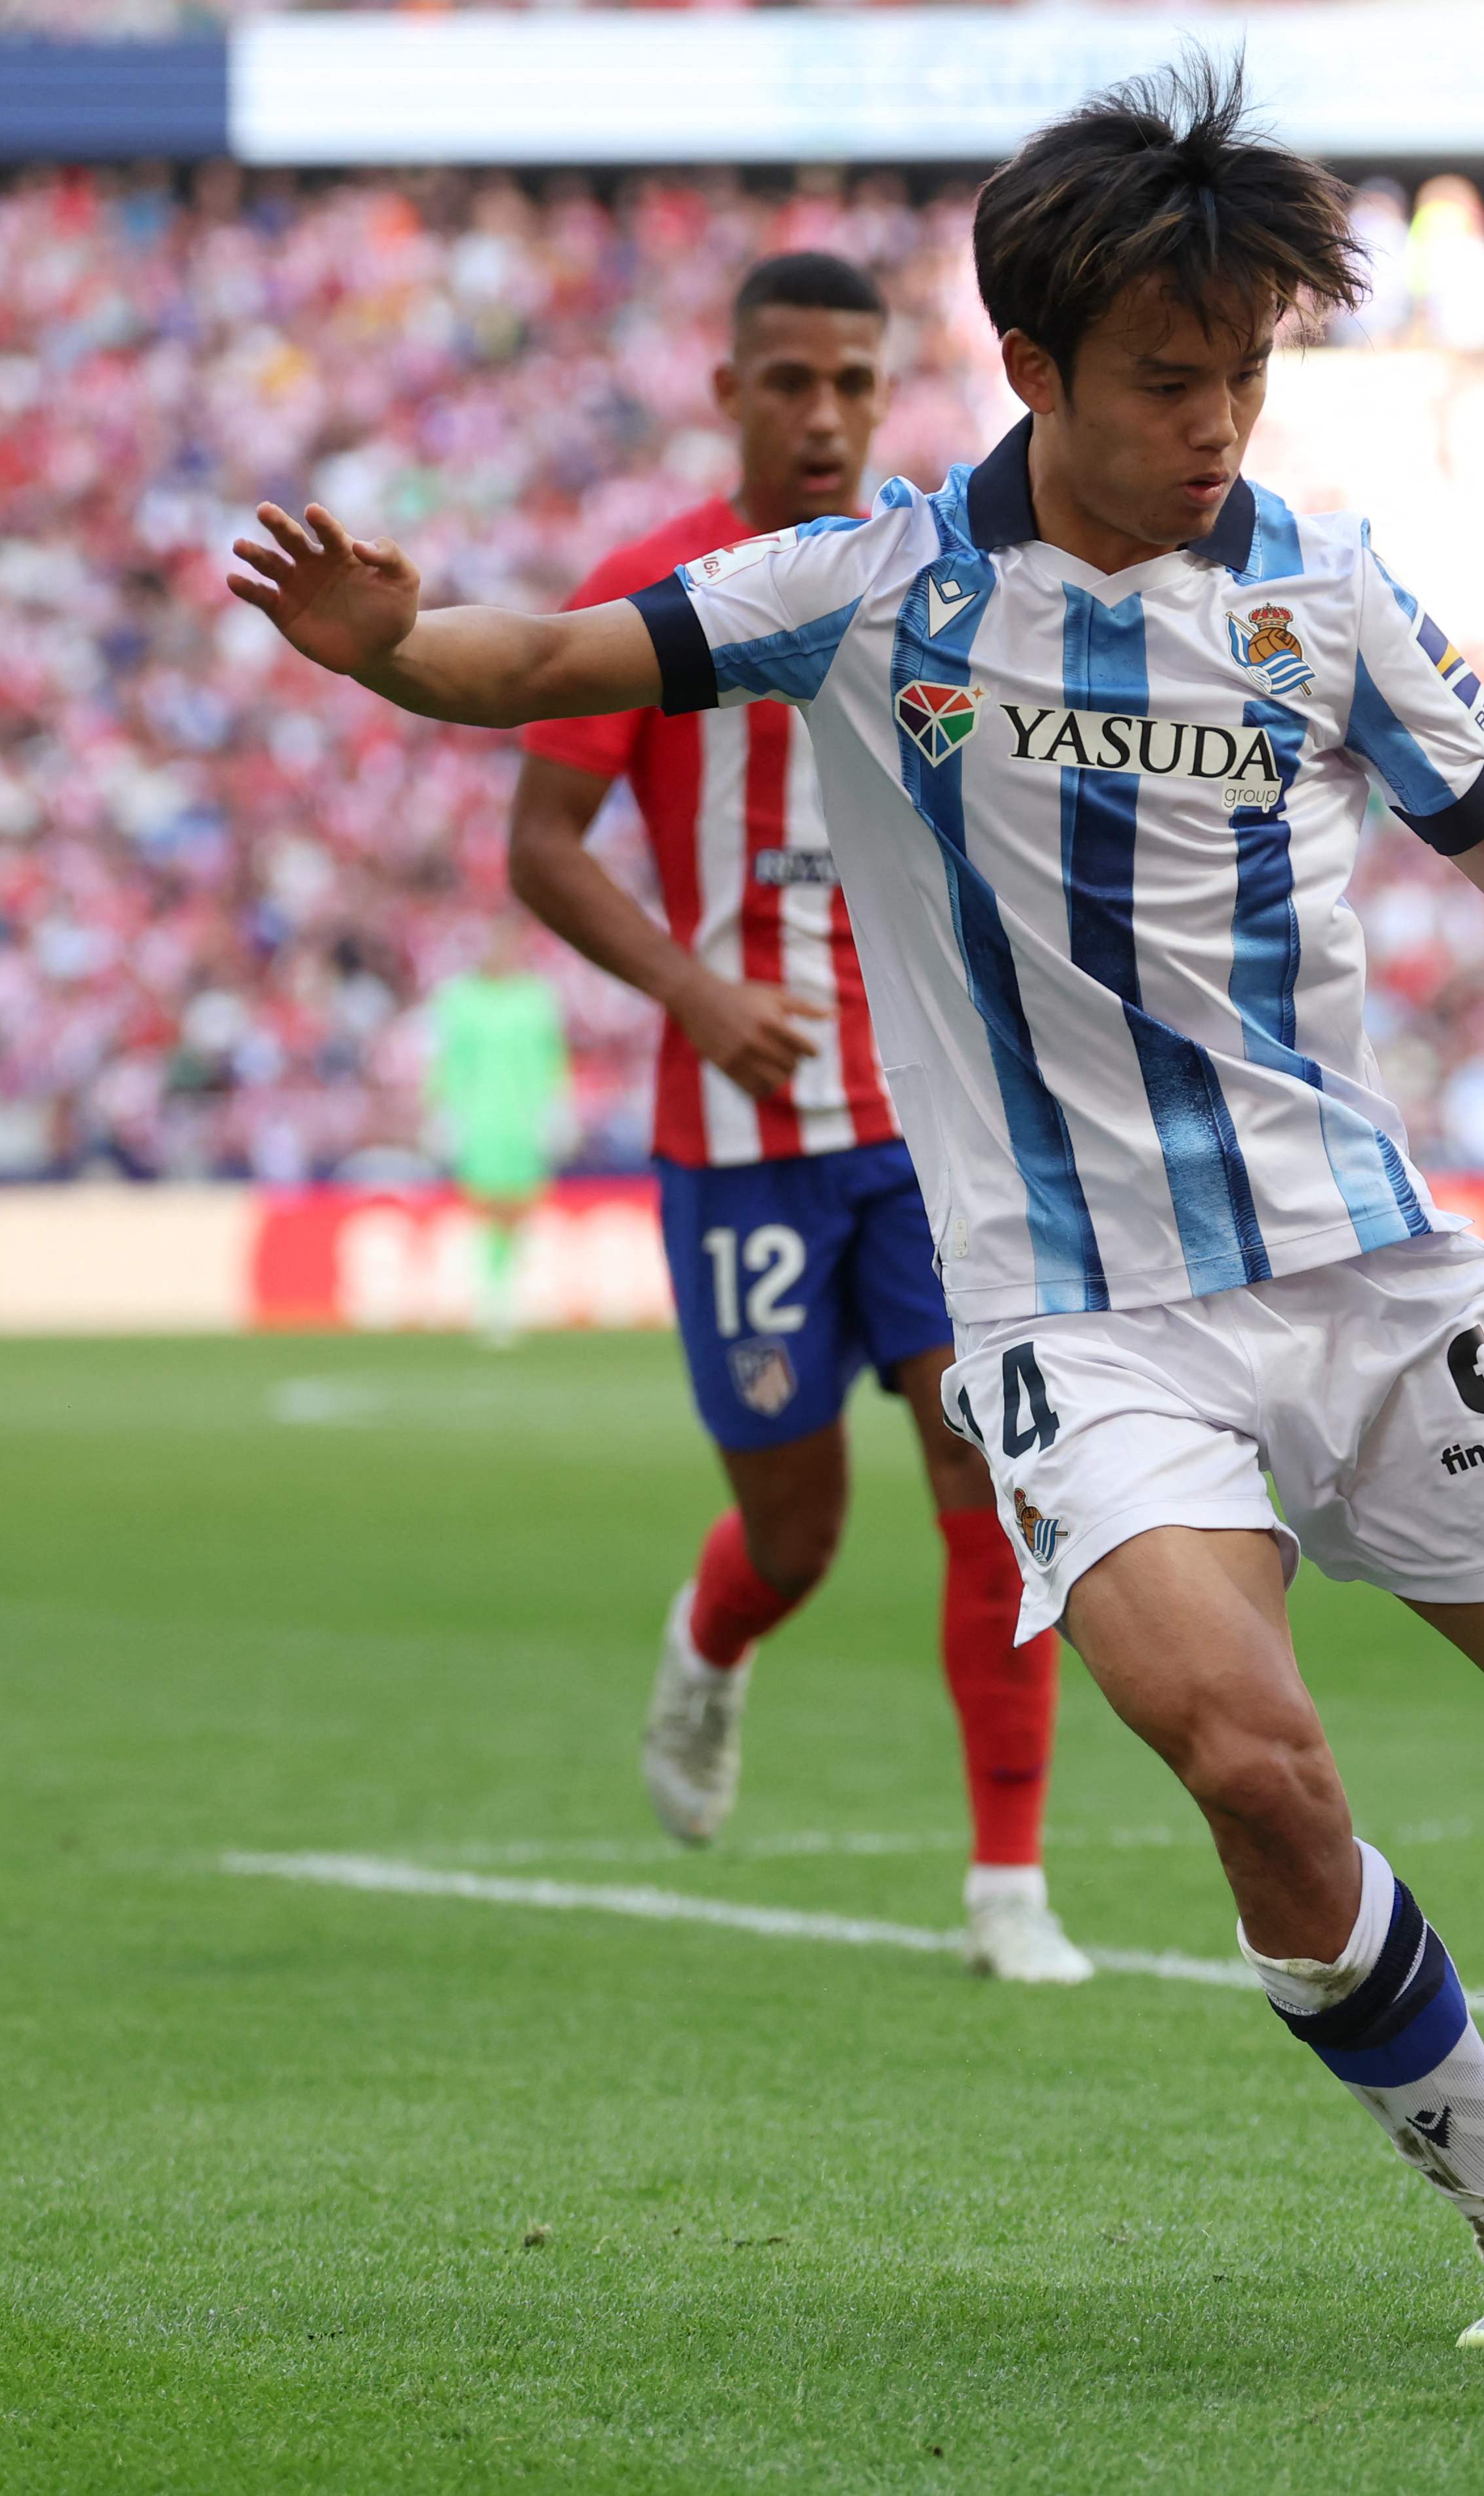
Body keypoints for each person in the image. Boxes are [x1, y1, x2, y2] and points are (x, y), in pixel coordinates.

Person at [229, 58, 1484, 2348]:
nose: (1220, 420)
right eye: (1170, 376)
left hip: (1356, 1269)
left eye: (1248, 371)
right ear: (1037, 366)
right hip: (1074, 1316)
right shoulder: (869, 592)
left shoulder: (1326, 597)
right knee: (1246, 1760)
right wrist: (392, 650)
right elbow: (551, 664)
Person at [498, 250, 1088, 1985]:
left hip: (931, 1140)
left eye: (853, 383)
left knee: (995, 1478)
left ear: (886, 390)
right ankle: (711, 1634)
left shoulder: (944, 586)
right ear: (729, 393)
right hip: (740, 1144)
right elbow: (540, 848)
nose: (824, 416)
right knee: (796, 1535)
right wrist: (694, 990)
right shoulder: (644, 595)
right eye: (789, 384)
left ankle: (1009, 1885)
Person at [420, 934, 571, 1346]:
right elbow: (447, 1059)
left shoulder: (537, 998)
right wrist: (442, 1111)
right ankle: (491, 1294)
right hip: (479, 1121)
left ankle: (513, 1292)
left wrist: (557, 1109)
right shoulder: (458, 1000)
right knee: (485, 1207)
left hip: (524, 1121)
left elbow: (552, 1057)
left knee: (520, 1208)